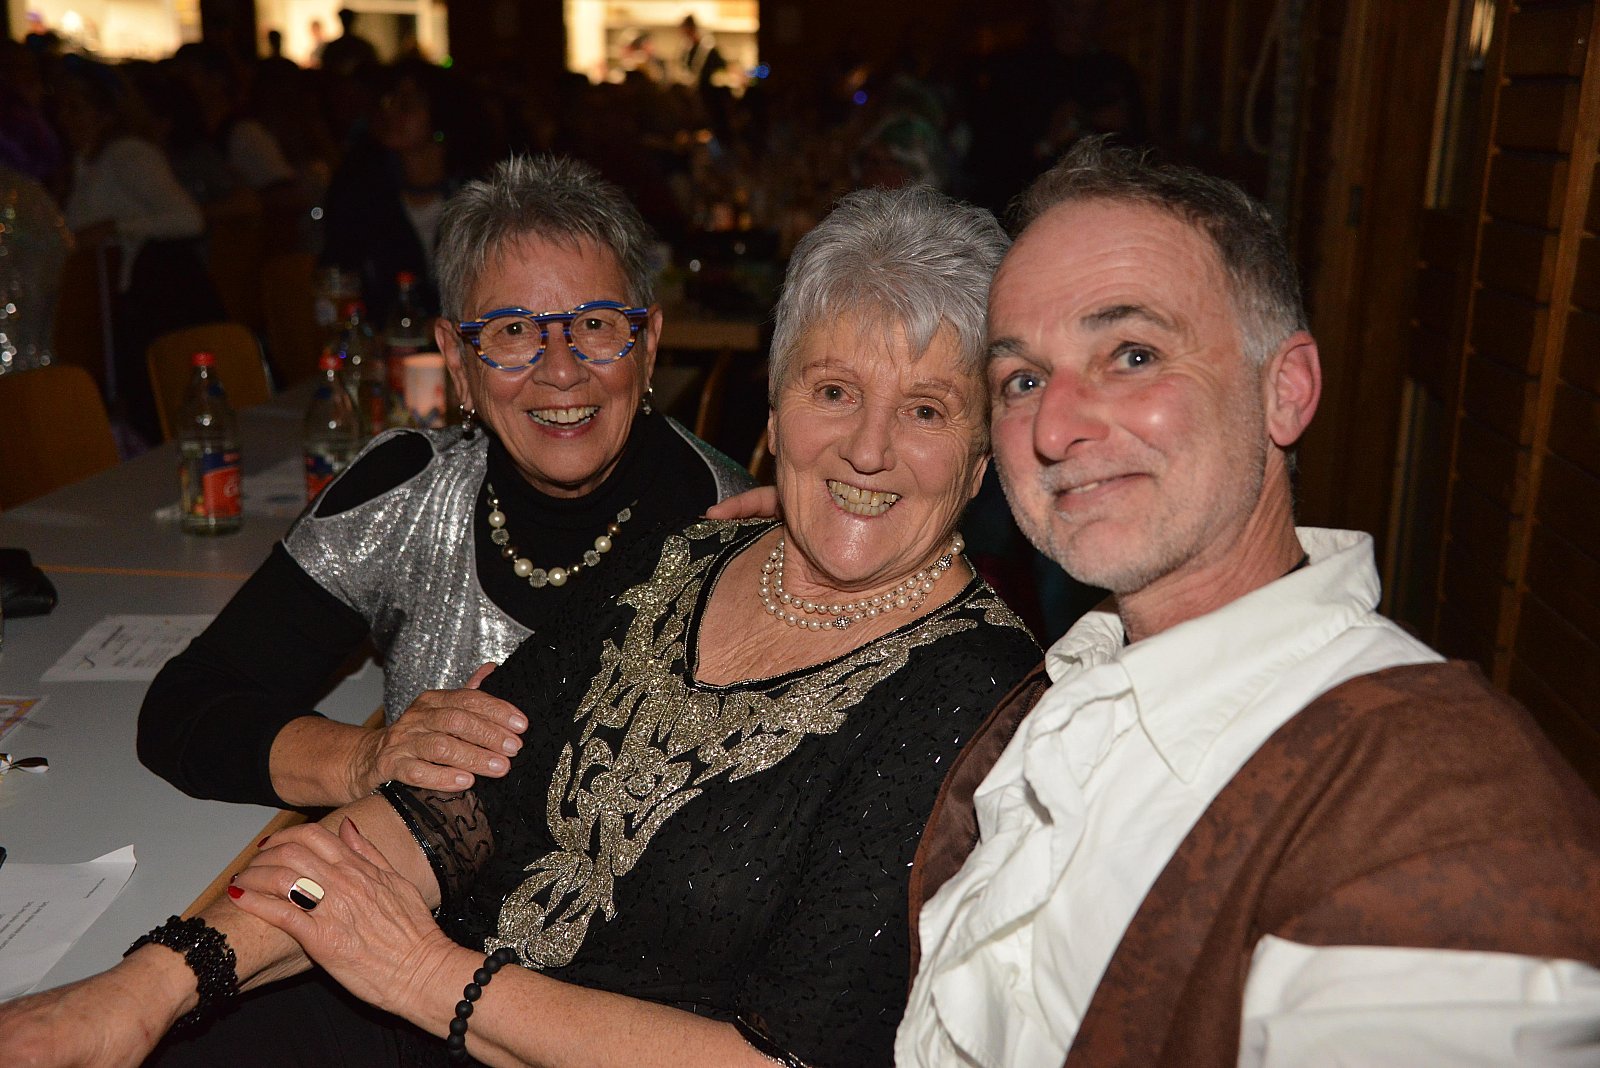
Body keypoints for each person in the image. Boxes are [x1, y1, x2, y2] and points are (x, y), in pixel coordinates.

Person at [4, 183, 1038, 1068]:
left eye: (926, 409)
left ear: (984, 451)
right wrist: (146, 988)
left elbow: (787, 1057)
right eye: (833, 390)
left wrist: (428, 976)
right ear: (774, 414)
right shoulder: (689, 558)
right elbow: (435, 814)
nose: (867, 448)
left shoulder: (976, 695)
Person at [896, 137, 1600, 1066]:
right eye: (1023, 380)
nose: (1055, 428)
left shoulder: (1444, 800)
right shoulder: (1069, 684)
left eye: (1132, 354)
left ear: (1286, 391)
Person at [138, 155, 753, 812]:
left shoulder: (729, 527)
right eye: (513, 330)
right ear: (458, 361)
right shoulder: (405, 495)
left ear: (649, 344)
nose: (561, 370)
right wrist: (366, 758)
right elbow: (185, 706)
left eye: (595, 323)